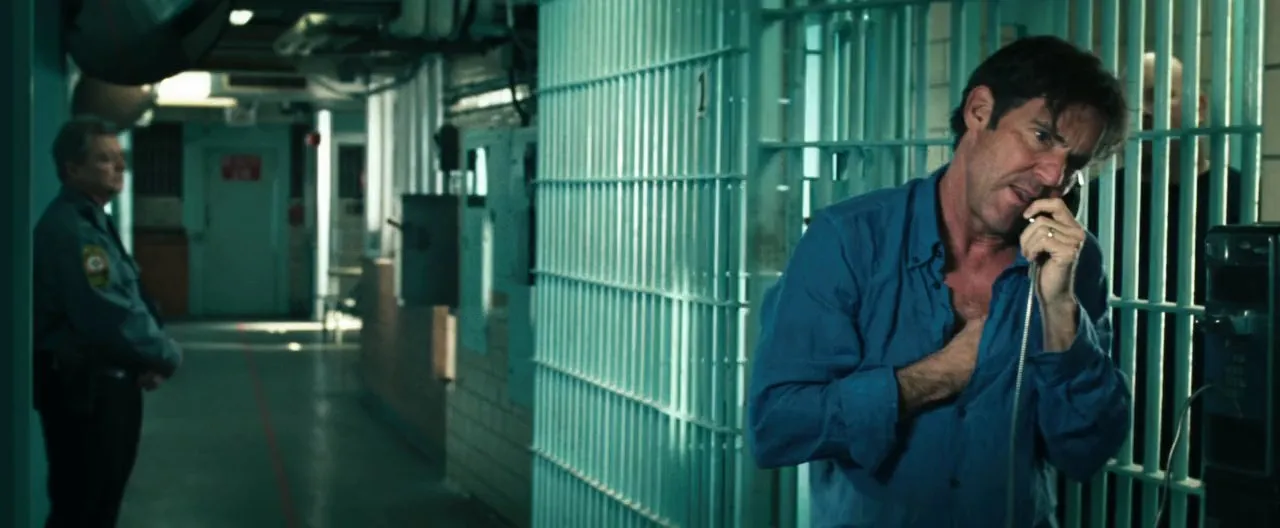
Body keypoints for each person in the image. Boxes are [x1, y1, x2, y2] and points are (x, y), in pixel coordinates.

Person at [745, 36, 1133, 527]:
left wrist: (1059, 313)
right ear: (979, 111)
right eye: (1041, 136)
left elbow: (1087, 452)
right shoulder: (849, 240)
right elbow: (776, 426)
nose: (1054, 175)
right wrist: (940, 373)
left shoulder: (1071, 260)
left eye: (1074, 163)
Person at [1082, 52, 1244, 526]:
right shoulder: (1102, 198)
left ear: (1198, 105)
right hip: (1123, 389)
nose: (1146, 112)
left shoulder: (1240, 195)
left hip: (1212, 391)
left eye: (1160, 96)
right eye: (1135, 102)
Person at [33, 115, 183, 527]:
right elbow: (108, 313)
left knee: (97, 504)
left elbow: (130, 298)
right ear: (72, 169)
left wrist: (145, 357)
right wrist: (165, 354)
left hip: (103, 384)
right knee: (84, 507)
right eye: (104, 159)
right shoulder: (74, 232)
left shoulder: (93, 222)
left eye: (120, 158)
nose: (118, 167)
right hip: (86, 392)